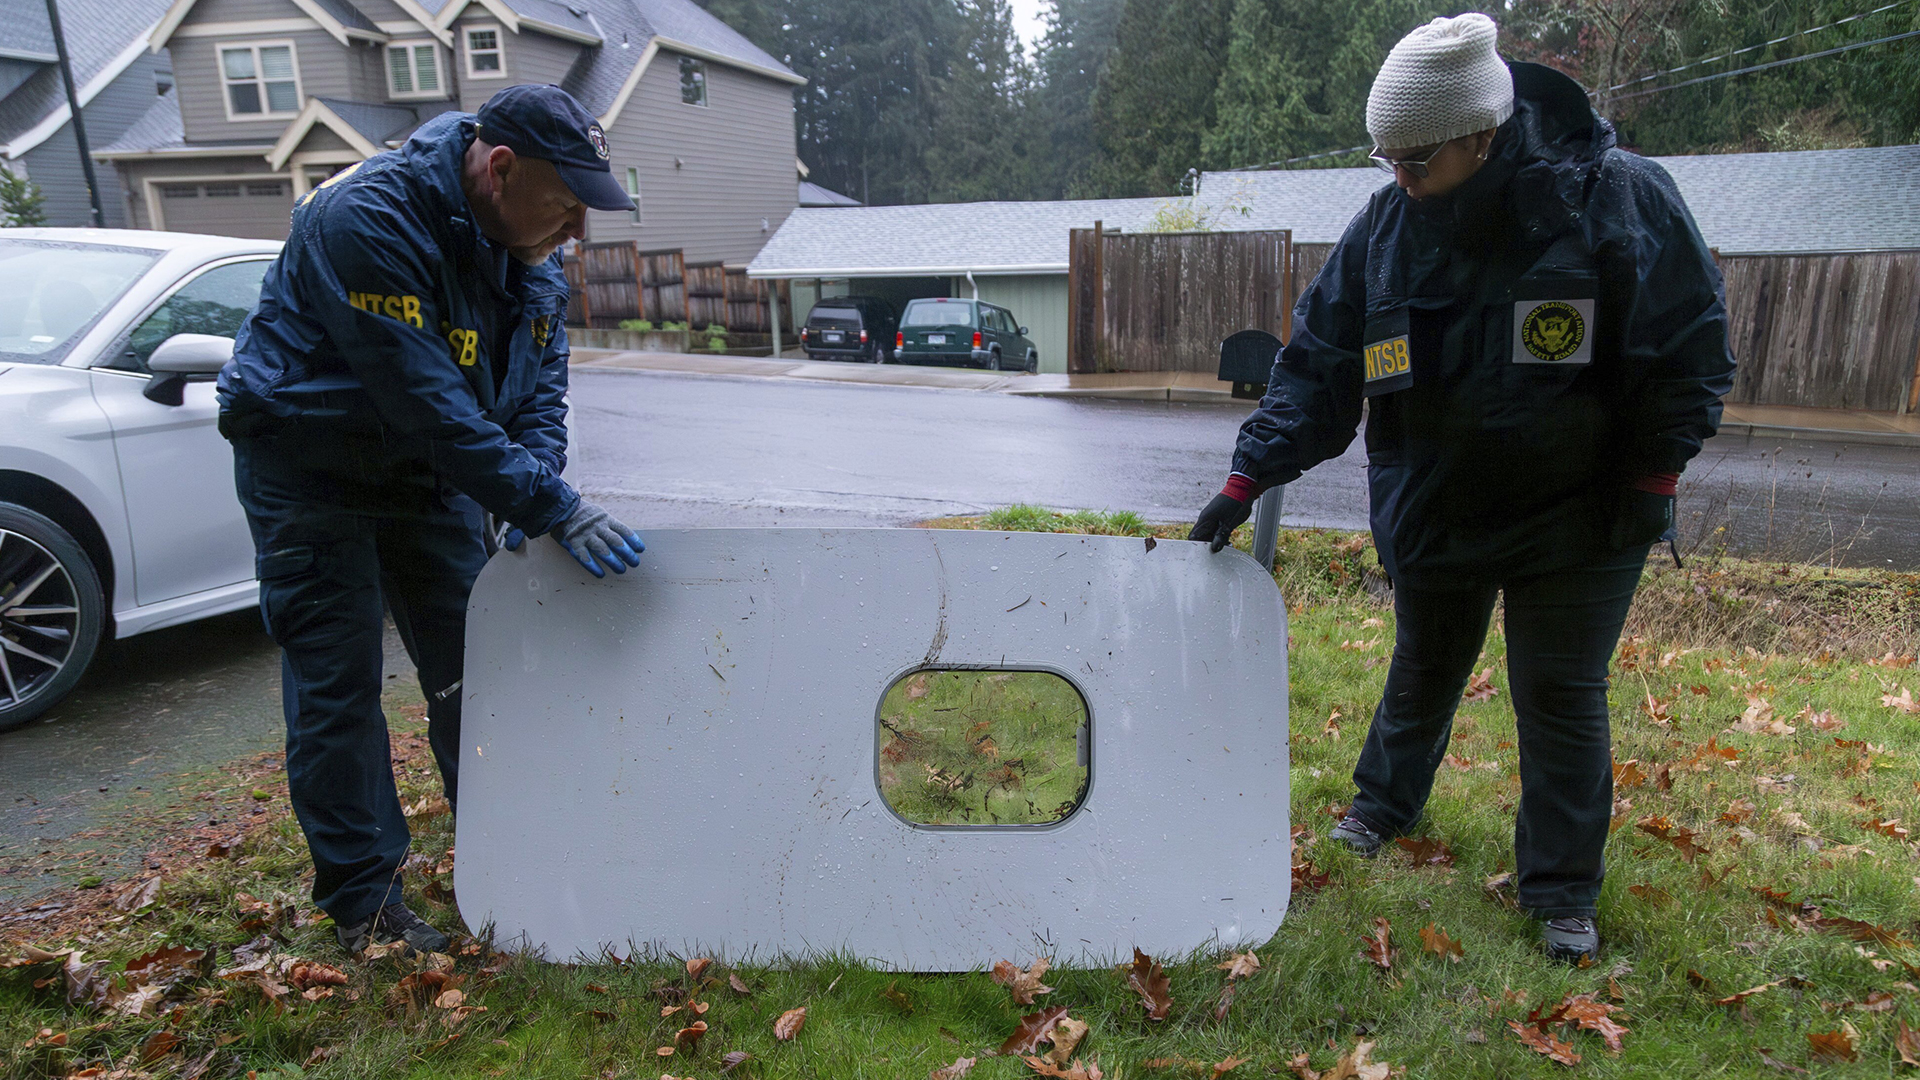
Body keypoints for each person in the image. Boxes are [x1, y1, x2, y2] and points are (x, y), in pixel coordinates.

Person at [1189, 14, 1735, 963]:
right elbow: (1319, 362)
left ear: (1482, 134)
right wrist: (1251, 473)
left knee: (1560, 694)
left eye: (1417, 158)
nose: (1397, 178)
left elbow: (1690, 352)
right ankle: (1380, 808)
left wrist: (1654, 475)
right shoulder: (1386, 229)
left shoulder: (1616, 199)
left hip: (1582, 511)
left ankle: (1561, 893)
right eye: (1385, 158)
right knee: (1423, 667)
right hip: (1437, 500)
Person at [218, 84, 647, 955]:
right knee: (339, 687)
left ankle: (508, 856)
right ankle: (366, 905)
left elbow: (538, 393)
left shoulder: (531, 256)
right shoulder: (364, 218)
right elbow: (428, 401)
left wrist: (537, 486)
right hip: (310, 463)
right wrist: (549, 504)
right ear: (499, 170)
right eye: (566, 206)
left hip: (427, 472)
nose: (577, 234)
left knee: (479, 673)